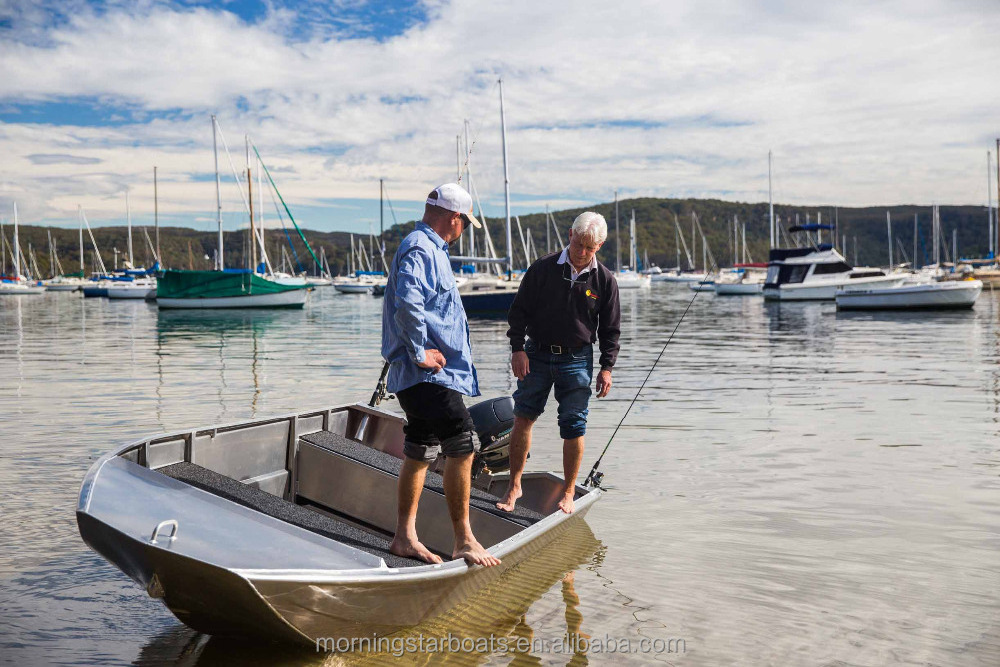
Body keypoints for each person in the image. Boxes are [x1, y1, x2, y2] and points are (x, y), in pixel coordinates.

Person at [381, 182, 500, 567]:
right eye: (465, 222)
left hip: (422, 378)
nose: (464, 228)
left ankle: (404, 538)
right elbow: (408, 300)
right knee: (463, 442)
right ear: (454, 218)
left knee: (420, 447)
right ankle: (464, 540)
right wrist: (419, 352)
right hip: (427, 376)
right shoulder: (421, 247)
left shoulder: (428, 247)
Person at [498, 211, 621, 514]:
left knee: (574, 426)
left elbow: (610, 329)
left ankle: (568, 492)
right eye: (578, 244)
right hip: (536, 354)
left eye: (589, 248)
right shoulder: (542, 268)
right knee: (524, 417)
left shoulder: (604, 280)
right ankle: (514, 486)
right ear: (570, 234)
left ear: (599, 246)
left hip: (577, 359)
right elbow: (518, 313)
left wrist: (607, 367)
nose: (581, 253)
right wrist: (517, 349)